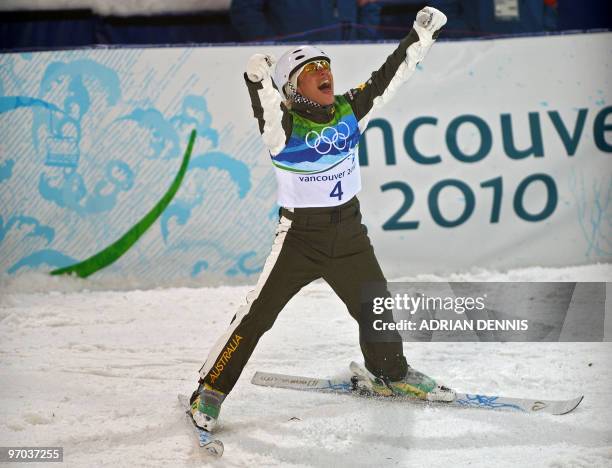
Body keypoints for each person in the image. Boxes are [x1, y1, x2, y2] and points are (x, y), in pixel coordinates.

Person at [190, 6, 453, 433]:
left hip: (350, 232)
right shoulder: (284, 130)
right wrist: (257, 79)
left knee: (376, 306)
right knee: (257, 316)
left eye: (325, 65)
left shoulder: (350, 109)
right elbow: (267, 107)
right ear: (296, 89)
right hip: (299, 237)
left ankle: (390, 374)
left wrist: (419, 37)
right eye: (313, 70)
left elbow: (391, 77)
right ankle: (209, 390)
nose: (324, 71)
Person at [230, 0, 382, 41]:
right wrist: (273, 45)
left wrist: (360, 42)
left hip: (346, 63)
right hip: (289, 69)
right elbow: (244, 11)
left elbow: (369, 5)